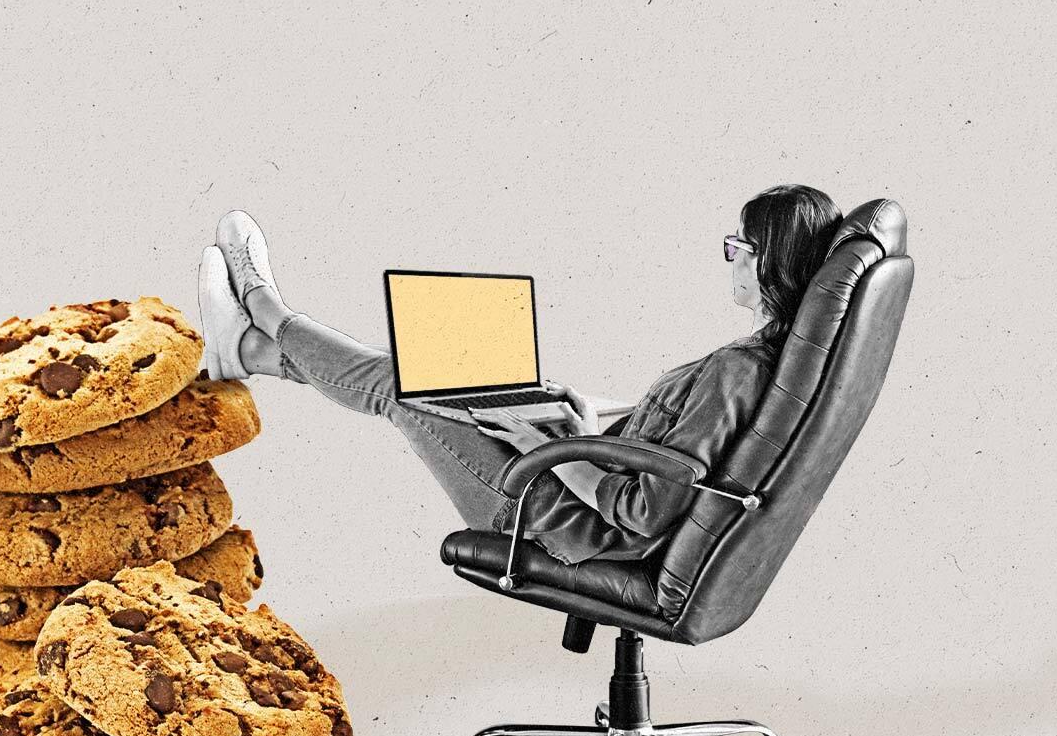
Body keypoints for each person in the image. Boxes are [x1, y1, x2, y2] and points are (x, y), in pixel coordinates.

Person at [196, 186, 845, 565]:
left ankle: (262, 311)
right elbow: (673, 456)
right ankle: (252, 350)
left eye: (739, 247)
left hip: (561, 523)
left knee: (405, 385)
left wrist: (545, 444)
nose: (727, 258)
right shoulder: (768, 362)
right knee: (446, 371)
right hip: (581, 475)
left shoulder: (736, 374)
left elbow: (643, 512)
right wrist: (584, 419)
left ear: (770, 264)